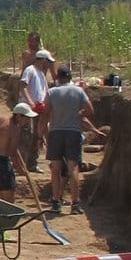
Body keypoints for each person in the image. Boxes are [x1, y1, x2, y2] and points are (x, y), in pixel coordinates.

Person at [43, 66, 102, 214]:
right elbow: (90, 110)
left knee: (55, 168)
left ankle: (56, 201)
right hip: (73, 132)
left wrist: (42, 132)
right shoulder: (78, 91)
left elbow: (45, 113)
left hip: (56, 131)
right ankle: (75, 204)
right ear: (70, 78)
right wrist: (78, 113)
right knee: (73, 168)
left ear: (58, 78)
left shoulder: (51, 92)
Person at [0, 103, 34, 204]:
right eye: (26, 118)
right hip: (2, 163)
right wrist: (20, 169)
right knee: (9, 201)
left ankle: (0, 217)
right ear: (18, 116)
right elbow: (12, 153)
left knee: (0, 198)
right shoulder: (15, 130)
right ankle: (7, 219)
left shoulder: (0, 120)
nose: (28, 121)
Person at [18, 48, 53, 172]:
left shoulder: (42, 74)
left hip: (39, 109)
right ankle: (20, 164)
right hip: (28, 109)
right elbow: (23, 86)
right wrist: (30, 102)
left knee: (36, 137)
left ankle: (32, 163)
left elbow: (45, 91)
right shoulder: (30, 70)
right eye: (48, 61)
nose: (49, 64)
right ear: (42, 60)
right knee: (26, 136)